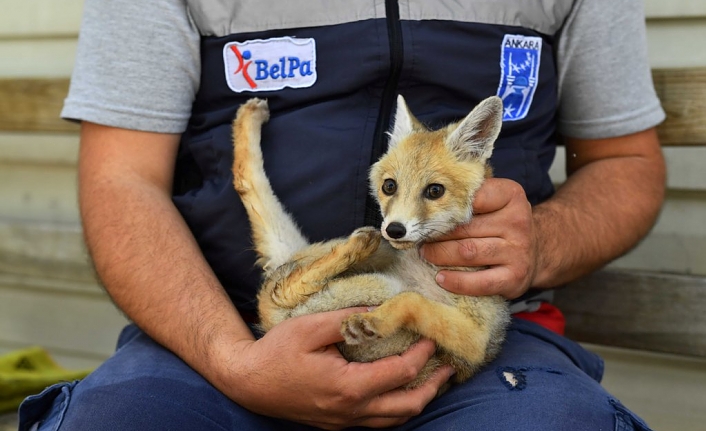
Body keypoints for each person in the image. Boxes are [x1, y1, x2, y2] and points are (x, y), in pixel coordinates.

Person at [19, 0, 666, 430]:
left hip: (478, 343)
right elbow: (121, 181)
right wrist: (235, 360)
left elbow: (626, 165)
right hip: (223, 328)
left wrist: (542, 243)